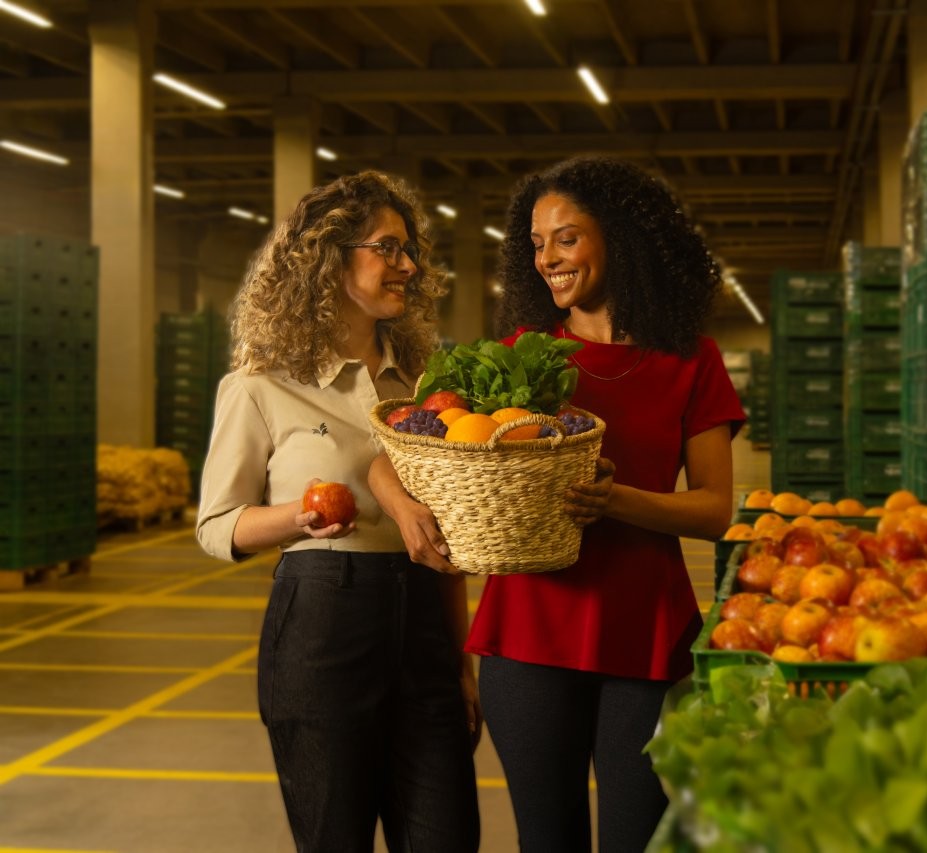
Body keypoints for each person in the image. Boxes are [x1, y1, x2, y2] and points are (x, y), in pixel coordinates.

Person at [195, 170, 481, 853]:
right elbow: (216, 526)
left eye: (409, 251)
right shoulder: (262, 384)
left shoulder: (422, 388)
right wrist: (300, 517)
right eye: (388, 248)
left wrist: (460, 663)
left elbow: (442, 536)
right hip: (322, 625)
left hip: (423, 626)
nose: (408, 266)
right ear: (331, 258)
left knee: (448, 837)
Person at [475, 155, 745, 852]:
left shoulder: (693, 360)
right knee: (547, 840)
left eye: (566, 237)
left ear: (619, 238)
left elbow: (715, 508)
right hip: (529, 630)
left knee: (639, 840)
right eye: (536, 243)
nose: (547, 259)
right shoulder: (521, 359)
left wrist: (615, 499)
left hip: (647, 635)